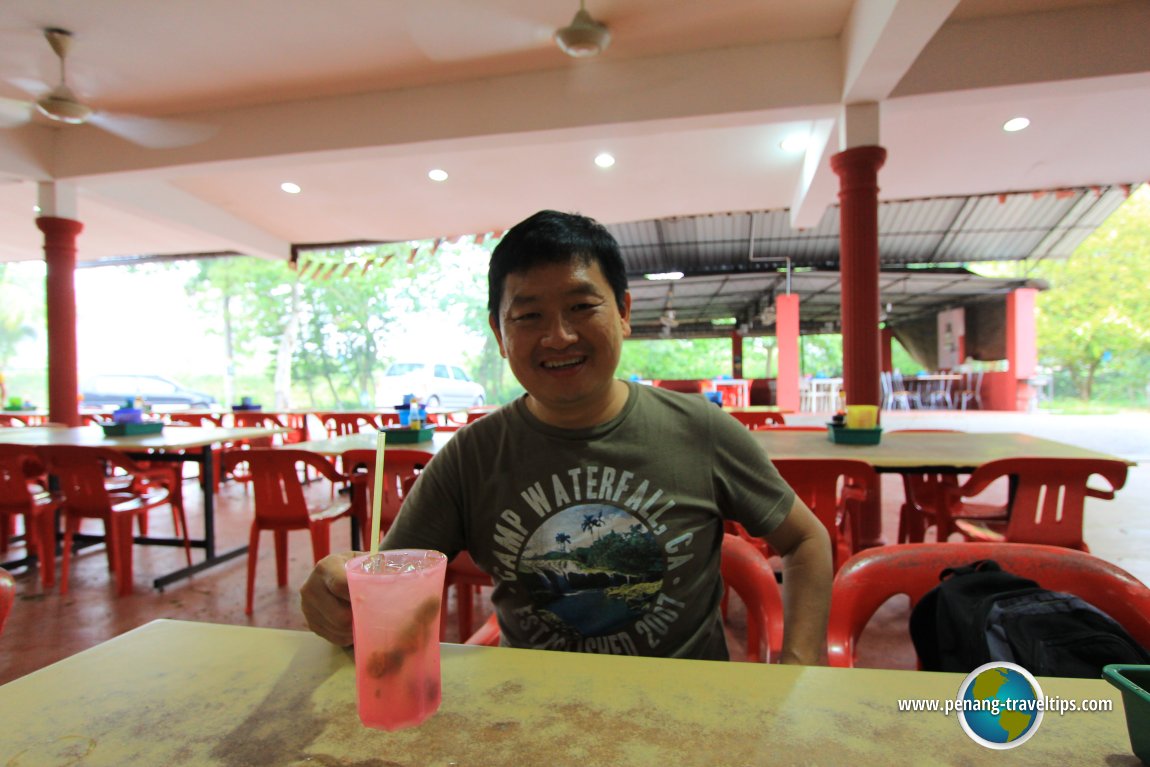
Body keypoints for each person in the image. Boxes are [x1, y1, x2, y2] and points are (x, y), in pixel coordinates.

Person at [301, 209, 832, 664]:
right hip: (532, 717)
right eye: (529, 315)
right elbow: (383, 593)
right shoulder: (471, 457)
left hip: (686, 716)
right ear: (499, 335)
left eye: (582, 307)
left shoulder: (702, 430)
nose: (558, 336)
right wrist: (343, 593)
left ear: (623, 312)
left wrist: (799, 668)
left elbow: (806, 540)